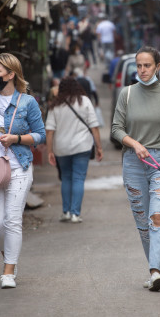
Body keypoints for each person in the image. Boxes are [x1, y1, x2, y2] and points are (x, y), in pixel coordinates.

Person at [111, 46, 160, 292]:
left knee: (157, 216)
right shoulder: (127, 94)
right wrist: (134, 144)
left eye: (147, 65)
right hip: (133, 163)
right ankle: (159, 268)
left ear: (157, 67)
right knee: (144, 223)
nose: (142, 70)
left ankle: (154, 271)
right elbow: (116, 129)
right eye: (139, 65)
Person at [0, 53, 46, 289]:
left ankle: (8, 272)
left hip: (18, 167)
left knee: (12, 220)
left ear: (11, 74)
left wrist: (16, 138)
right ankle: (10, 255)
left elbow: (40, 135)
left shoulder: (27, 102)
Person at [46, 77, 104, 223]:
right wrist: (99, 147)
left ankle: (66, 212)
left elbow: (49, 131)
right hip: (82, 146)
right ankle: (75, 214)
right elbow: (94, 126)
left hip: (61, 148)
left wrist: (49, 151)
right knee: (78, 178)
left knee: (66, 178)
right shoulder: (84, 101)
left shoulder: (55, 105)